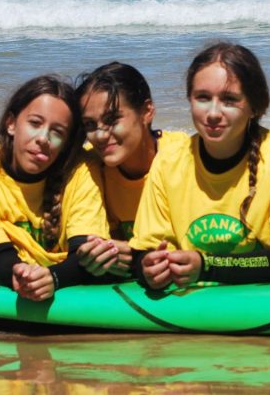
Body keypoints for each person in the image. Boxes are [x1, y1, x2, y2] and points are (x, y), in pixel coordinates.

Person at [130, 42, 270, 288]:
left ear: (255, 106)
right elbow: (143, 250)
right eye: (203, 98)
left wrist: (207, 267)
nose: (213, 113)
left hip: (260, 299)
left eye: (229, 100)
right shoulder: (168, 161)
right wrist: (149, 267)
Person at [0, 75, 109, 302]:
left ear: (66, 142)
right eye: (35, 123)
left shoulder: (81, 169)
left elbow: (86, 253)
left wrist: (53, 278)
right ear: (11, 123)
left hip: (76, 281)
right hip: (22, 280)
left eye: (57, 132)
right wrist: (22, 277)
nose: (43, 138)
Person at [73, 62, 189, 278]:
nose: (99, 135)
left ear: (146, 112)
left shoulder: (182, 156)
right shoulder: (93, 169)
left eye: (111, 120)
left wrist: (136, 257)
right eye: (90, 125)